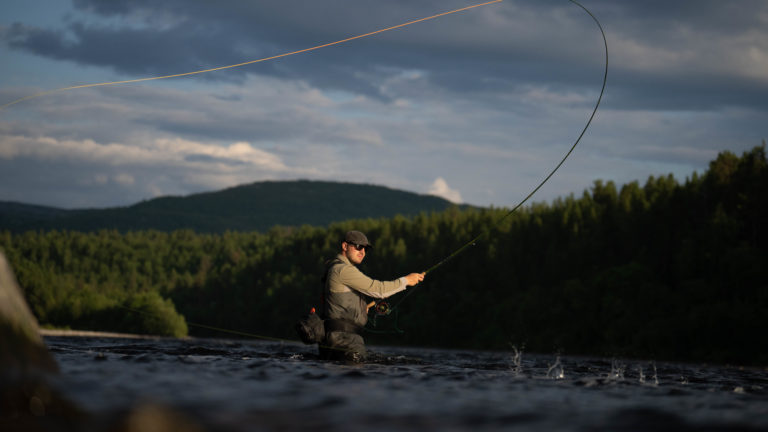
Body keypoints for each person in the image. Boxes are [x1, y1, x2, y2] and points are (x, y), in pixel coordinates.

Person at [320, 230, 424, 362]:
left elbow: (339, 304)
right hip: (344, 341)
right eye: (358, 246)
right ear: (345, 246)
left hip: (333, 341)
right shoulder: (343, 270)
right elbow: (378, 290)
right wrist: (406, 281)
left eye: (365, 248)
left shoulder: (334, 267)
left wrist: (361, 309)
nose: (362, 252)